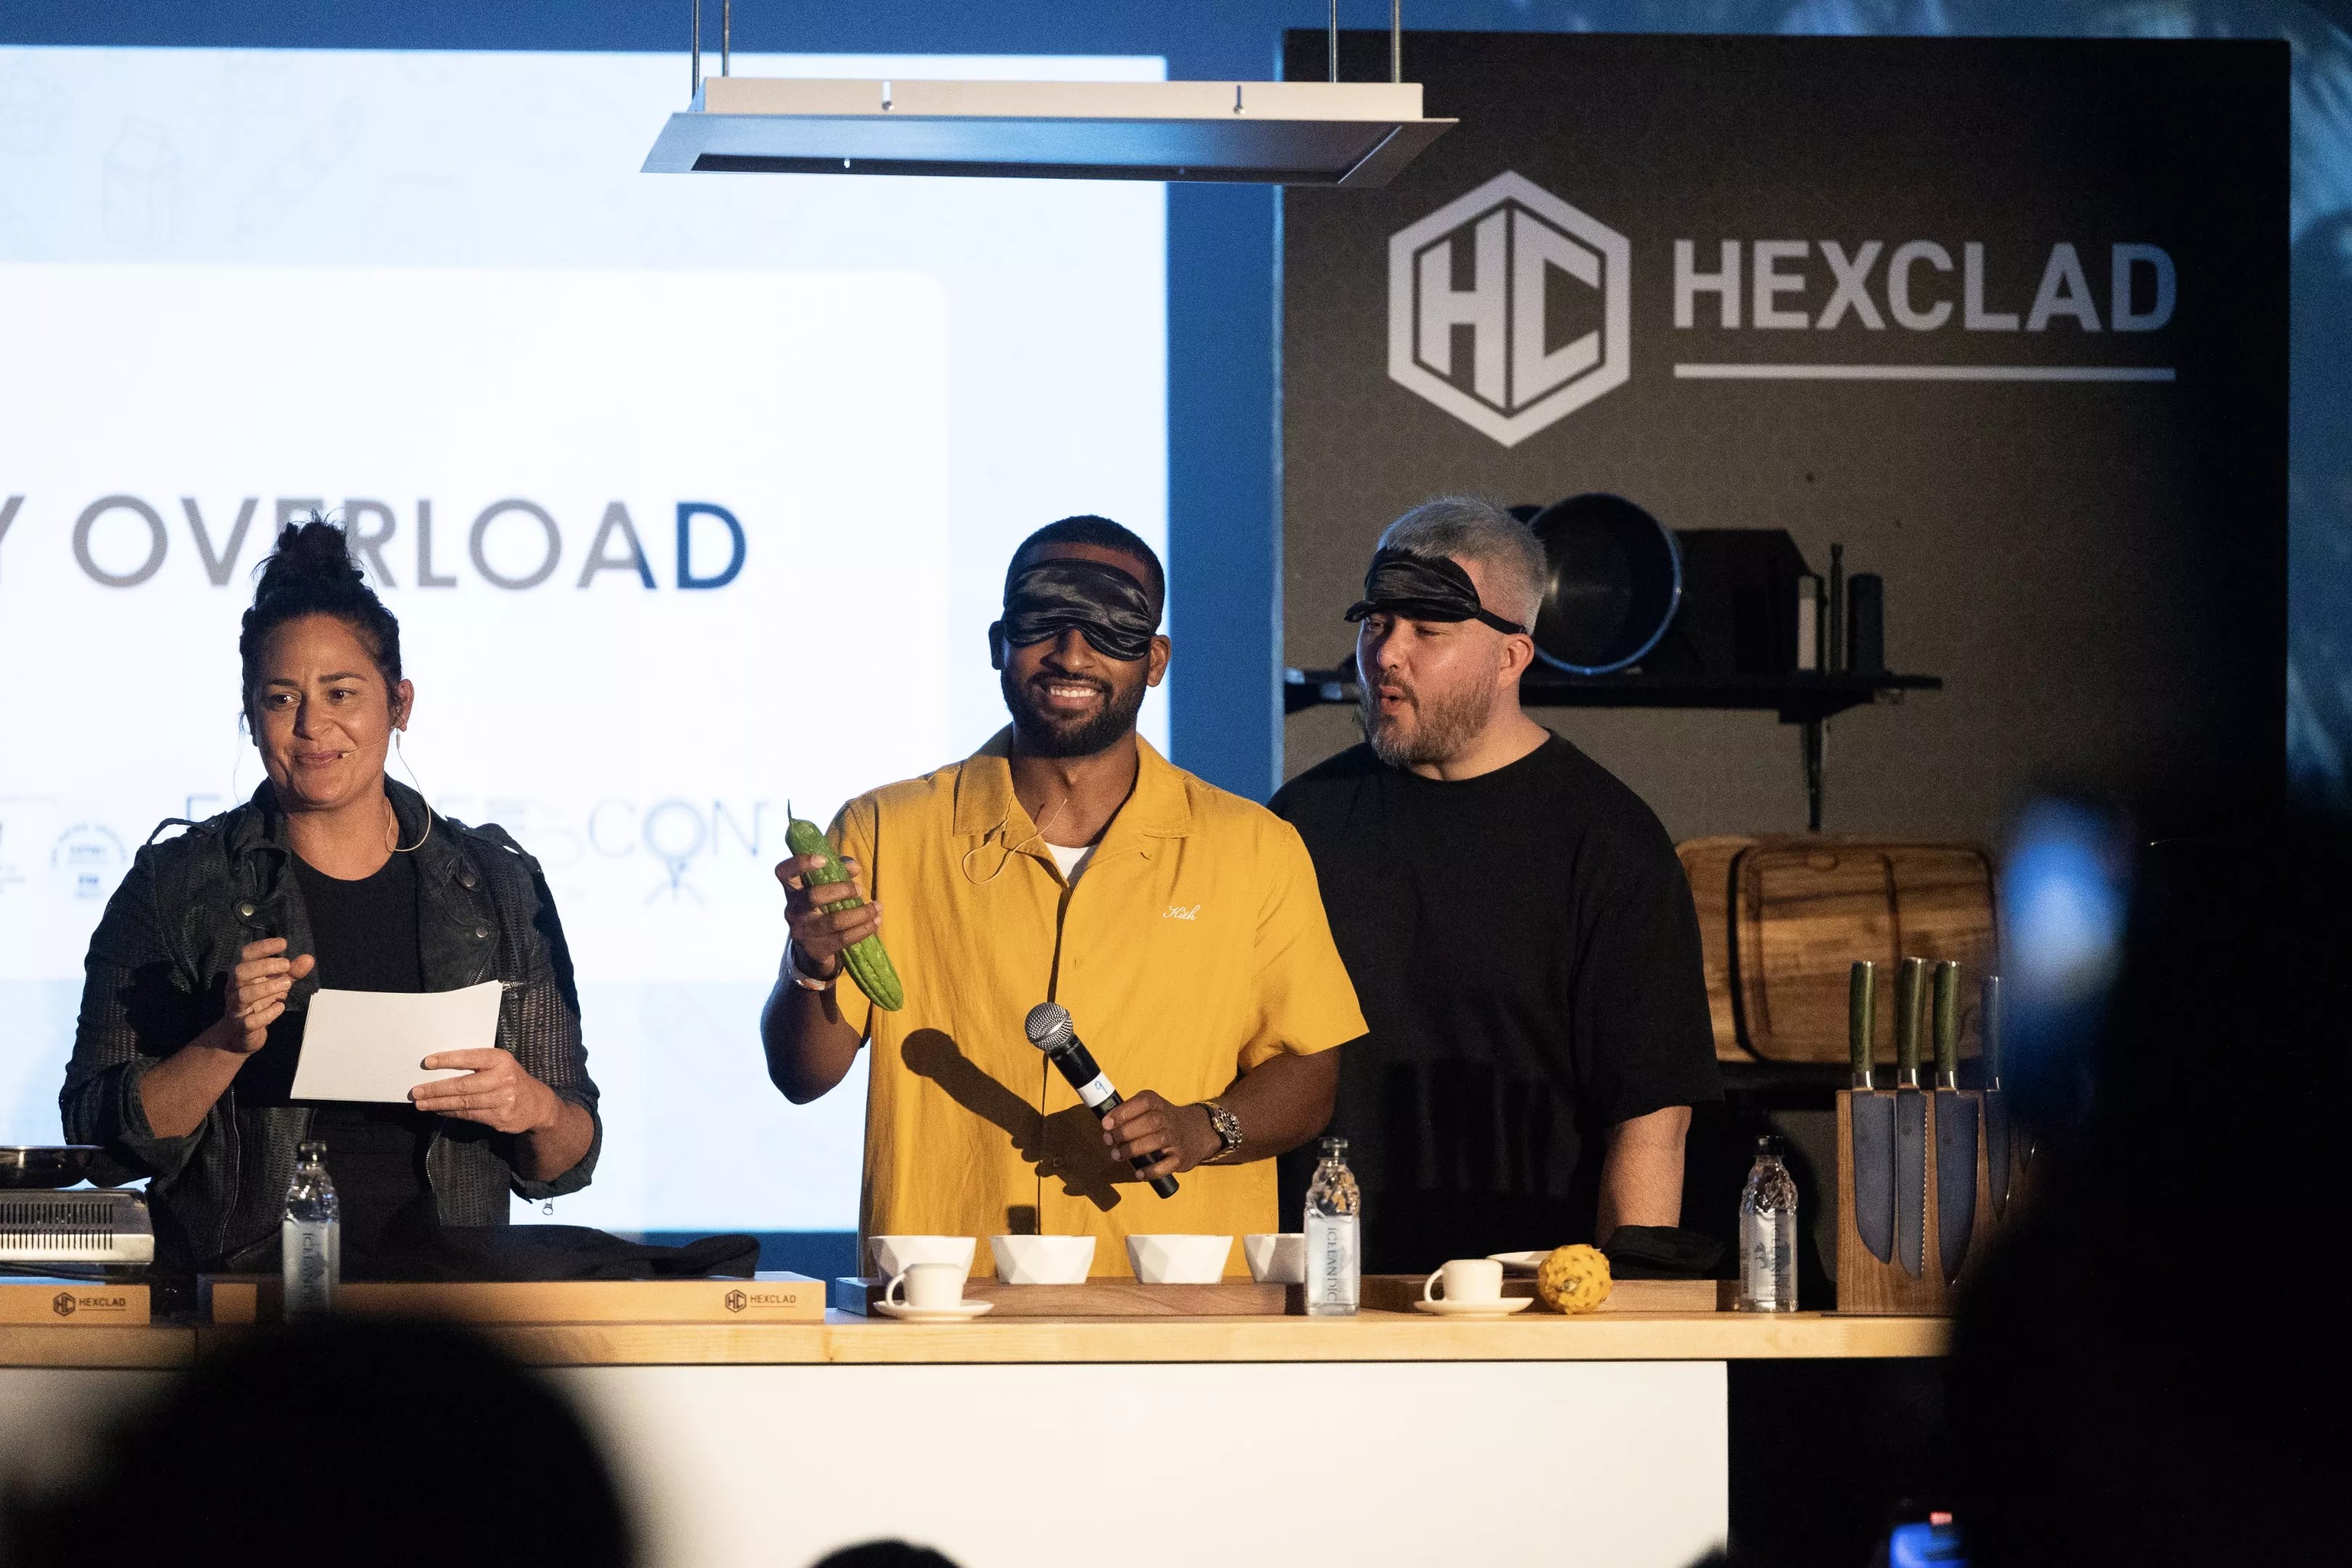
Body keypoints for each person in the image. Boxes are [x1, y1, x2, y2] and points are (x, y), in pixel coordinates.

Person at [761, 515, 1364, 1273]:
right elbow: (802, 1077)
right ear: (998, 644)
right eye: (1042, 620)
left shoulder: (1254, 847)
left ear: (1155, 659)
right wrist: (811, 967)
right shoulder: (884, 830)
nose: (1073, 652)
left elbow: (1310, 1073)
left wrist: (1204, 1127)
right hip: (944, 1295)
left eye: (1112, 626)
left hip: (1177, 1297)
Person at [62, 518, 600, 1275]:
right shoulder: (175, 885)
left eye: (341, 693)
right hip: (247, 1300)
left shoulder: (499, 885)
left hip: (450, 1305)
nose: (314, 726)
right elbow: (98, 1142)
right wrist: (223, 1043)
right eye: (282, 698)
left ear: (399, 704)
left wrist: (533, 1107)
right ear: (251, 715)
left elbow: (570, 1155)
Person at [1270, 497, 1720, 1273]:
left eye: (1427, 630)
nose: (1386, 654)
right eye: (1377, 622)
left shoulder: (1608, 841)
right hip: (1324, 1293)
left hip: (1526, 1298)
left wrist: (1621, 1313)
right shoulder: (1301, 822)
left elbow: (1650, 1117)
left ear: (1511, 657)